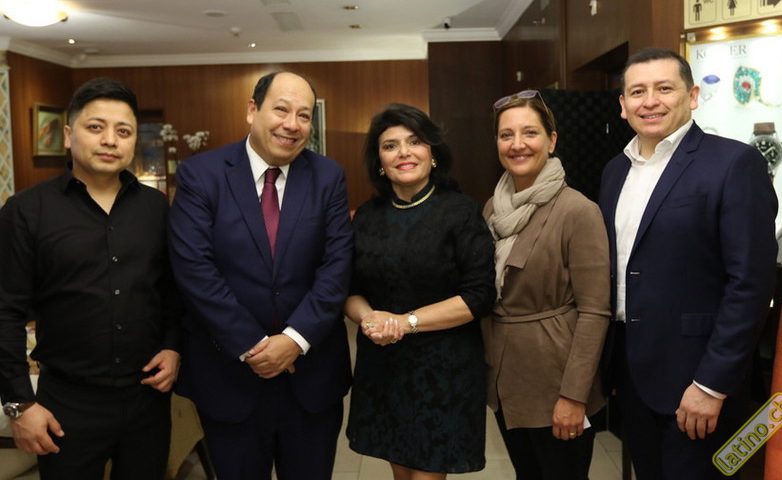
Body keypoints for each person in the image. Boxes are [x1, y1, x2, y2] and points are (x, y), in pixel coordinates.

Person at [599, 47, 778, 479]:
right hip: (633, 373)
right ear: (622, 105)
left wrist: (711, 384)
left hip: (698, 379)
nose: (650, 101)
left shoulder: (733, 163)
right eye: (637, 92)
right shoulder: (614, 171)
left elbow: (750, 283)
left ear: (692, 96)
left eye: (664, 88)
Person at [168, 71, 354, 480]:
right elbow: (194, 269)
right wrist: (253, 346)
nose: (292, 124)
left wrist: (294, 340)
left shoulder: (328, 176)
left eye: (304, 115)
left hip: (311, 377)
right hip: (228, 377)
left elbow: (337, 265)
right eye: (281, 109)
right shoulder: (201, 174)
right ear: (252, 110)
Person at [0, 78, 181, 480]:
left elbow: (170, 290)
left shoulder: (156, 208)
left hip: (146, 398)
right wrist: (19, 404)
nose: (110, 140)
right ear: (68, 135)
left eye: (123, 131)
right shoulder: (26, 211)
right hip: (66, 402)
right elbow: (5, 312)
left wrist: (172, 347)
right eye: (96, 127)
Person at [344, 103, 495, 480]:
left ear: (433, 152)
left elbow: (478, 295)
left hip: (444, 369)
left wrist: (405, 322)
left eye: (415, 142)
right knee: (400, 472)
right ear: (380, 161)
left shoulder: (461, 212)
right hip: (384, 366)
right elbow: (348, 288)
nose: (404, 152)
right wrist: (370, 319)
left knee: (428, 473)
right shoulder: (366, 217)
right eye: (390, 145)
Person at [482, 90, 611, 479]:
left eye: (530, 133)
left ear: (551, 140)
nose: (517, 144)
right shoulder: (492, 210)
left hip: (557, 382)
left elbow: (595, 311)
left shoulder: (578, 211)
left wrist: (573, 395)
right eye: (506, 135)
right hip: (507, 381)